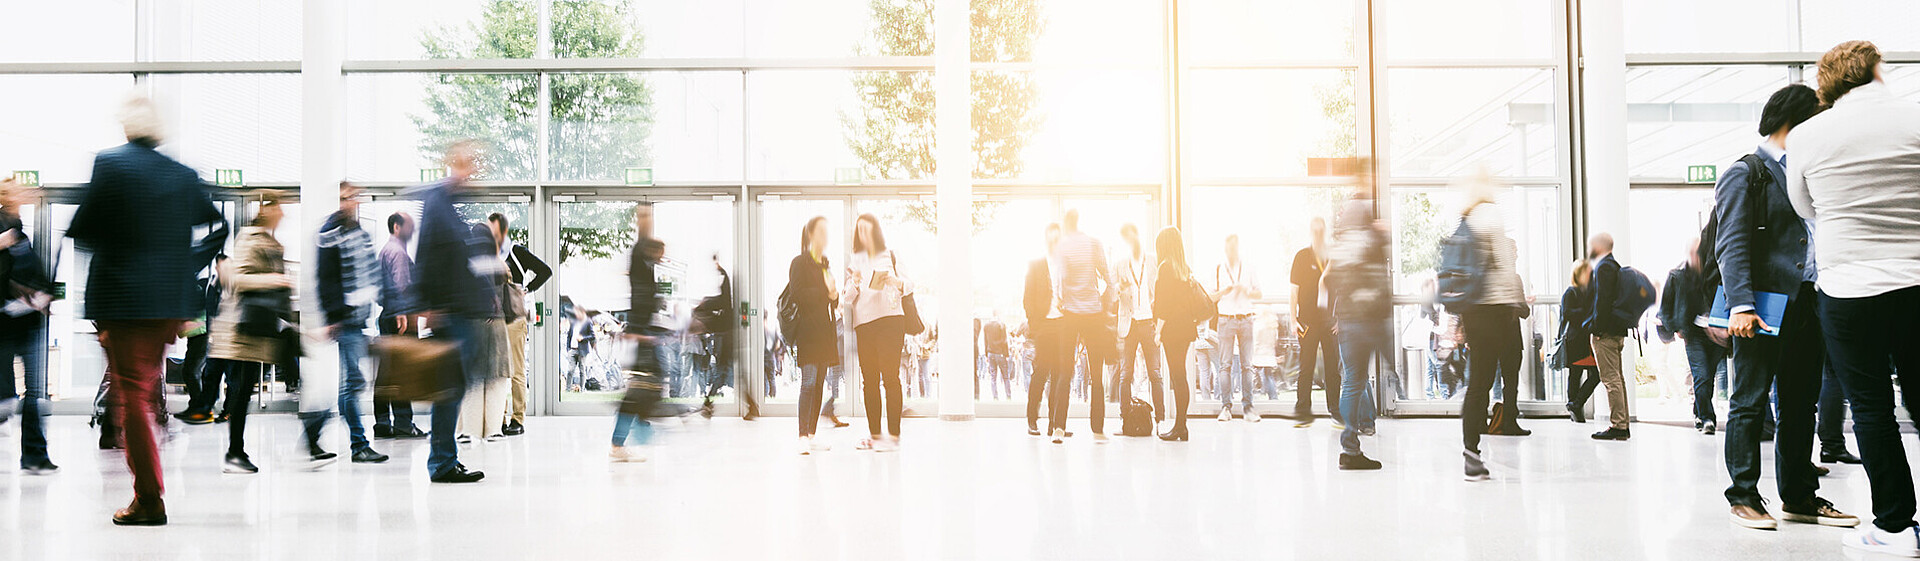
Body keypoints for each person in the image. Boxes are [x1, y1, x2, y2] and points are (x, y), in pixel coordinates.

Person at [1780, 42, 1920, 553]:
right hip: (1916, 278)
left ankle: (1893, 527)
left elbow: (1805, 206)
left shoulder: (1809, 135)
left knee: (1871, 408)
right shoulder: (1915, 117)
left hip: (1849, 290)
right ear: (1877, 69)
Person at [68, 94, 230, 524]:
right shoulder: (181, 174)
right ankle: (148, 490)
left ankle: (149, 499)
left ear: (127, 127)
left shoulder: (111, 164)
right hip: (167, 303)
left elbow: (84, 230)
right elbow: (218, 225)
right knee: (142, 388)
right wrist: (184, 263)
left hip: (123, 300)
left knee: (133, 395)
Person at [412, 140, 493, 484]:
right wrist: (427, 306)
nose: (472, 169)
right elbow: (427, 256)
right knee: (450, 388)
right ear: (452, 164)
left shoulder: (449, 205)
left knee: (455, 387)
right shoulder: (437, 203)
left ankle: (445, 458)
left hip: (459, 310)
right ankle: (442, 462)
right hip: (449, 313)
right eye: (466, 162)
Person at [208, 192, 304, 474]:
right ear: (267, 210)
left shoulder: (271, 241)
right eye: (279, 208)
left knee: (245, 389)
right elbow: (240, 279)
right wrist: (274, 279)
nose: (283, 214)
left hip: (262, 327)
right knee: (241, 391)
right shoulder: (250, 238)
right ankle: (235, 452)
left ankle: (238, 452)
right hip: (244, 329)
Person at [309, 182, 389, 465]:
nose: (352, 202)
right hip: (344, 320)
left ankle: (313, 427)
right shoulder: (329, 232)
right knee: (353, 382)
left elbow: (370, 273)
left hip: (360, 318)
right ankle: (359, 444)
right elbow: (325, 279)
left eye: (354, 197)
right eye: (346, 198)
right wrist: (332, 317)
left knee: (351, 383)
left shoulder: (362, 232)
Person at [1325, 198, 1391, 470]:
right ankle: (1354, 441)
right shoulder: (1367, 242)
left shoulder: (1340, 247)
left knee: (1352, 381)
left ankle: (1348, 446)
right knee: (1357, 380)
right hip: (1364, 322)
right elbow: (1377, 282)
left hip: (1347, 323)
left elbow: (1332, 283)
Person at [0, 178, 57, 475]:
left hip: (29, 321)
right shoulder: (5, 227)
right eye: (18, 189)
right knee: (6, 397)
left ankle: (35, 455)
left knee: (35, 392)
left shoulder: (20, 231)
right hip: (5, 323)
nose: (26, 193)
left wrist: (41, 295)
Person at [842, 214, 911, 452]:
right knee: (869, 381)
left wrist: (892, 279)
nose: (864, 234)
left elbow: (910, 284)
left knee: (890, 378)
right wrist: (855, 283)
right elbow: (847, 299)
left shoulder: (891, 254)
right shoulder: (854, 260)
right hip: (865, 324)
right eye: (859, 230)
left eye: (867, 229)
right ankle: (875, 436)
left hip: (892, 321)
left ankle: (893, 437)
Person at [1048, 209, 1113, 443]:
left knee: (1065, 372)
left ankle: (1058, 427)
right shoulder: (1094, 243)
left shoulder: (1062, 246)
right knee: (1096, 373)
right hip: (1094, 314)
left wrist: (1062, 301)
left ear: (1066, 224)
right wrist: (1102, 303)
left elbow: (1060, 282)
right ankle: (1098, 429)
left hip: (1071, 316)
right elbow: (1109, 278)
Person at [487, 213, 549, 437]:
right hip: (495, 319)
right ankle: (500, 418)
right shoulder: (489, 253)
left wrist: (527, 288)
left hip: (514, 318)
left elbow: (546, 271)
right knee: (498, 372)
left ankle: (518, 418)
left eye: (494, 229)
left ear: (503, 230)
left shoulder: (516, 251)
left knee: (516, 370)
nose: (491, 234)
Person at [610, 203, 664, 463]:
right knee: (639, 392)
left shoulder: (646, 270)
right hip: (641, 334)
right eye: (660, 252)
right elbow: (641, 245)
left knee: (646, 388)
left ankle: (633, 438)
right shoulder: (641, 264)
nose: (662, 256)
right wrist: (644, 222)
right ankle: (623, 442)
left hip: (644, 333)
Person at [1659, 236, 1722, 435]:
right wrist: (1675, 327)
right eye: (1693, 251)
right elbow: (1665, 308)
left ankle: (1698, 412)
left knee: (1707, 378)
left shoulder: (1715, 272)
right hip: (1693, 334)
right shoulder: (1677, 276)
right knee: (1701, 375)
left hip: (1718, 333)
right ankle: (1707, 419)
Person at [790, 216, 841, 454]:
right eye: (821, 231)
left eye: (826, 231)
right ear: (810, 234)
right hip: (808, 332)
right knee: (808, 382)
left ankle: (811, 435)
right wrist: (825, 291)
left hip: (825, 331)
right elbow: (798, 294)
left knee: (820, 384)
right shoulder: (799, 262)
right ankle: (802, 435)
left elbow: (832, 299)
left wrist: (834, 295)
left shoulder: (825, 264)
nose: (825, 236)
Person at [373, 212, 425, 439]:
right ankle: (404, 422)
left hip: (389, 316)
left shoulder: (385, 250)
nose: (412, 231)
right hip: (399, 319)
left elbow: (379, 291)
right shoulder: (398, 252)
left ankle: (383, 422)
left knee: (386, 372)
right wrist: (403, 313)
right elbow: (402, 286)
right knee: (402, 372)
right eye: (408, 226)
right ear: (396, 227)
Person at [460, 222, 510, 444]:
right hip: (498, 326)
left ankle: (470, 430)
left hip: (473, 323)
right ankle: (493, 430)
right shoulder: (500, 264)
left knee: (474, 380)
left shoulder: (467, 263)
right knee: (496, 380)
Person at [1152, 227, 1204, 441]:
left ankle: (1180, 427)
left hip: (1172, 330)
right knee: (1180, 376)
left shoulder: (1165, 268)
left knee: (1177, 377)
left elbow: (1164, 304)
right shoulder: (1184, 268)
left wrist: (1158, 331)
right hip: (1185, 328)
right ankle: (1181, 426)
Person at [1290, 217, 1341, 428]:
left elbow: (1342, 289)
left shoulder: (1333, 256)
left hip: (1330, 322)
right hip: (1308, 322)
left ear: (1325, 231)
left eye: (1321, 230)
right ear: (1310, 232)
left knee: (1332, 368)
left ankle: (1336, 411)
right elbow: (1294, 291)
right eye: (1315, 230)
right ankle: (1303, 412)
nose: (1318, 234)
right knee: (1306, 367)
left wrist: (1341, 318)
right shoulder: (1301, 257)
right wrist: (1293, 319)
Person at [1114, 223, 1165, 427]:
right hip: (1129, 323)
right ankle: (1125, 418)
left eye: (1131, 235)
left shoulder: (1153, 260)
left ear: (1137, 235)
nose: (1130, 240)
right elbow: (1112, 293)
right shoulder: (1120, 264)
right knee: (1126, 374)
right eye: (1125, 237)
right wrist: (1120, 288)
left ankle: (1160, 418)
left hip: (1149, 322)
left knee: (1154, 372)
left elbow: (1160, 290)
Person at [1585, 232, 1633, 441]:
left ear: (1598, 246)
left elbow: (1602, 301)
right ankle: (1622, 423)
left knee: (1610, 379)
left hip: (1606, 332)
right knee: (1617, 378)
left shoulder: (1604, 267)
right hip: (1616, 330)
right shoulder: (1615, 266)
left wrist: (1597, 329)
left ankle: (1618, 425)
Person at [1211, 234, 1260, 423]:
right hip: (1225, 320)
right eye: (1227, 248)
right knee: (1225, 365)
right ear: (1225, 249)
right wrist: (1225, 291)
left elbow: (1259, 292)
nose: (1230, 251)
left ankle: (1248, 407)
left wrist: (1246, 291)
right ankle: (1226, 407)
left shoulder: (1248, 267)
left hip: (1246, 318)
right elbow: (1211, 297)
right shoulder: (1218, 268)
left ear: (1237, 247)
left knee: (1247, 365)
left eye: (1233, 248)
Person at [174, 253, 224, 424]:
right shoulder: (194, 285)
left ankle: (202, 409)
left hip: (202, 334)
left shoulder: (197, 286)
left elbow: (203, 315)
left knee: (191, 372)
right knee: (191, 372)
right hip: (196, 335)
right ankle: (196, 406)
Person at [1024, 223, 1064, 437]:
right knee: (1040, 373)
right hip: (1043, 325)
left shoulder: (1066, 265)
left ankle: (1055, 424)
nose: (1054, 242)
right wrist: (1035, 325)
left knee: (1060, 376)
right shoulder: (1036, 264)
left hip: (1062, 325)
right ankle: (1032, 420)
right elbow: (1027, 298)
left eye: (1057, 239)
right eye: (1051, 238)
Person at [1559, 259, 1600, 423]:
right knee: (1575, 375)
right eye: (1587, 271)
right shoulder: (1571, 292)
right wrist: (1587, 312)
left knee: (1595, 374)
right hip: (1576, 340)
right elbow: (1568, 314)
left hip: (1587, 339)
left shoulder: (1591, 292)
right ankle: (1575, 408)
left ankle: (1575, 404)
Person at [981, 317, 1011, 400]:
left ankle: (995, 396)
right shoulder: (1001, 325)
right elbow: (1005, 342)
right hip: (1000, 353)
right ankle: (1008, 396)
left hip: (991, 353)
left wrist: (987, 354)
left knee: (993, 377)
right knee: (1005, 377)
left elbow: (985, 341)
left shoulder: (986, 325)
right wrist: (1006, 355)